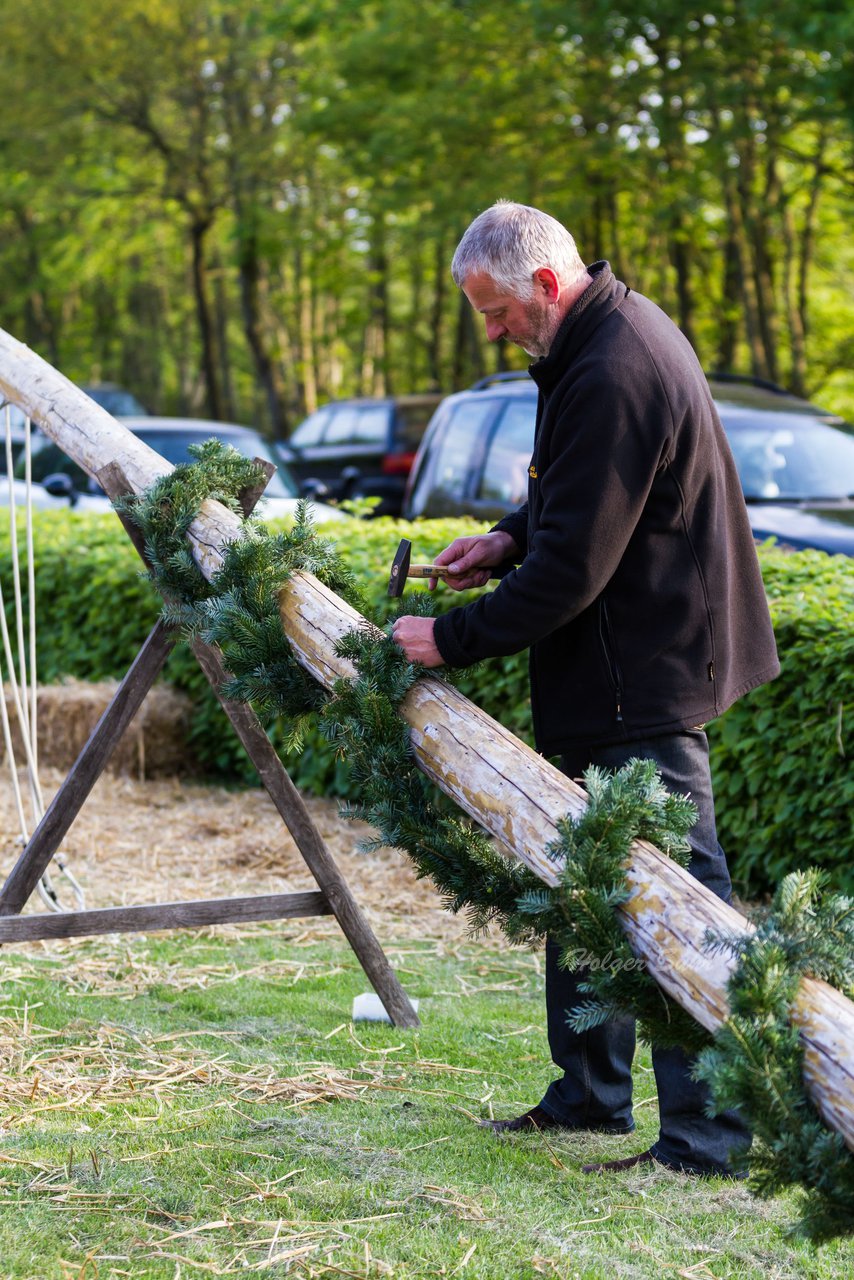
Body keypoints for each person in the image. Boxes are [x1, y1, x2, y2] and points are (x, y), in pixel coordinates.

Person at [391, 200, 779, 1177]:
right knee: (585, 883)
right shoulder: (594, 336)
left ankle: (708, 1135)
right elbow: (575, 502)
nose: (489, 329)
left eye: (495, 310)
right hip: (620, 667)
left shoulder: (610, 364)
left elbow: (572, 575)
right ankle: (588, 1095)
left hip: (641, 678)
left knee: (678, 905)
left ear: (547, 285)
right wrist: (506, 536)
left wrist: (443, 638)